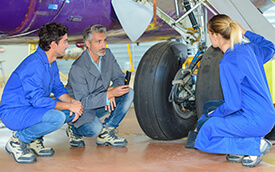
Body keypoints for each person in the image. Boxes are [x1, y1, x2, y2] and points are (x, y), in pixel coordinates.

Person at [194, 14, 275, 167]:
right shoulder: (250, 48)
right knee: (209, 108)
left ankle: (252, 146)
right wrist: (246, 33)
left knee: (205, 130)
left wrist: (215, 114)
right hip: (267, 114)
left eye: (209, 33)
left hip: (254, 120)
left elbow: (233, 105)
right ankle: (244, 144)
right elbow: (271, 47)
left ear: (216, 36)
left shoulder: (228, 62)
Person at [0, 23, 83, 164]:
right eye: (65, 41)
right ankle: (18, 141)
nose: (67, 46)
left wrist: (72, 102)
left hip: (30, 108)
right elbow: (38, 101)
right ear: (53, 44)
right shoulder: (34, 64)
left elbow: (58, 89)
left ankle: (33, 140)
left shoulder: (51, 62)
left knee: (67, 113)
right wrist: (68, 106)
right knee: (56, 117)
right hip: (14, 112)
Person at [65, 24, 134, 148]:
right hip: (81, 110)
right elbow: (83, 102)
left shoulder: (107, 54)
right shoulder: (78, 68)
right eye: (98, 42)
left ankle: (107, 131)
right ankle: (73, 130)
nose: (103, 45)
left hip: (101, 102)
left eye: (104, 41)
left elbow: (118, 77)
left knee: (128, 92)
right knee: (94, 129)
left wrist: (113, 91)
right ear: (88, 43)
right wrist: (109, 95)